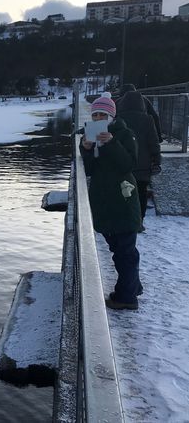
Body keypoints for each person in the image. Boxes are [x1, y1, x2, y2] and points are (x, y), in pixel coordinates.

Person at [81, 96, 143, 310]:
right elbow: (90, 170)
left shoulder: (125, 134)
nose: (98, 118)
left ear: (111, 116)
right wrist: (87, 149)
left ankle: (127, 297)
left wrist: (110, 142)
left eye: (102, 115)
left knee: (125, 250)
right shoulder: (92, 134)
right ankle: (132, 284)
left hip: (123, 200)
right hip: (104, 202)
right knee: (118, 247)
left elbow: (128, 164)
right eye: (95, 115)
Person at [117, 90, 161, 227]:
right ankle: (139, 221)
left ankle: (126, 218)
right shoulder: (148, 119)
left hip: (125, 165)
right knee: (142, 193)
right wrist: (157, 160)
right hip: (144, 166)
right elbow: (153, 143)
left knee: (126, 192)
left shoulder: (119, 119)